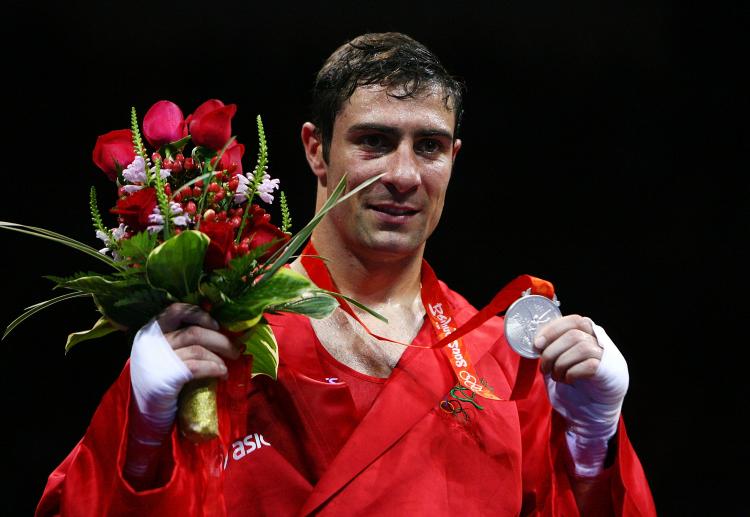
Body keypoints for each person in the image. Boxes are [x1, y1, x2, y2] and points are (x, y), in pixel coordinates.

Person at [36, 32, 656, 516]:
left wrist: (592, 445)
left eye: (430, 147)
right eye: (375, 141)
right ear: (315, 149)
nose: (405, 175)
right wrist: (140, 432)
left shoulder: (499, 356)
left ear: (454, 159)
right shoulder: (217, 333)